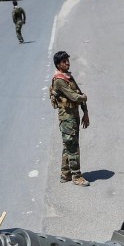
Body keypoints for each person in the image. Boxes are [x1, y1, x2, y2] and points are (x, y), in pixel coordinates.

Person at [50, 50, 91, 186]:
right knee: (73, 147)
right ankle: (76, 176)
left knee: (68, 146)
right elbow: (75, 96)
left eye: (68, 60)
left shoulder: (67, 77)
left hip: (73, 116)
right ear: (58, 64)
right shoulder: (59, 81)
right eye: (64, 61)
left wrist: (85, 112)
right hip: (67, 118)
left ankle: (65, 174)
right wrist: (84, 97)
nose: (67, 63)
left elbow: (78, 92)